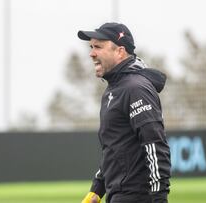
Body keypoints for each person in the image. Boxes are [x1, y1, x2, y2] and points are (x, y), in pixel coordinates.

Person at [78, 22, 171, 203]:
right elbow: (116, 148)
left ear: (120, 52)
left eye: (98, 47)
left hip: (136, 197)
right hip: (118, 196)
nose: (91, 53)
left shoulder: (135, 88)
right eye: (91, 47)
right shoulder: (114, 89)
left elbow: (154, 145)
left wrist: (159, 198)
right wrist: (97, 189)